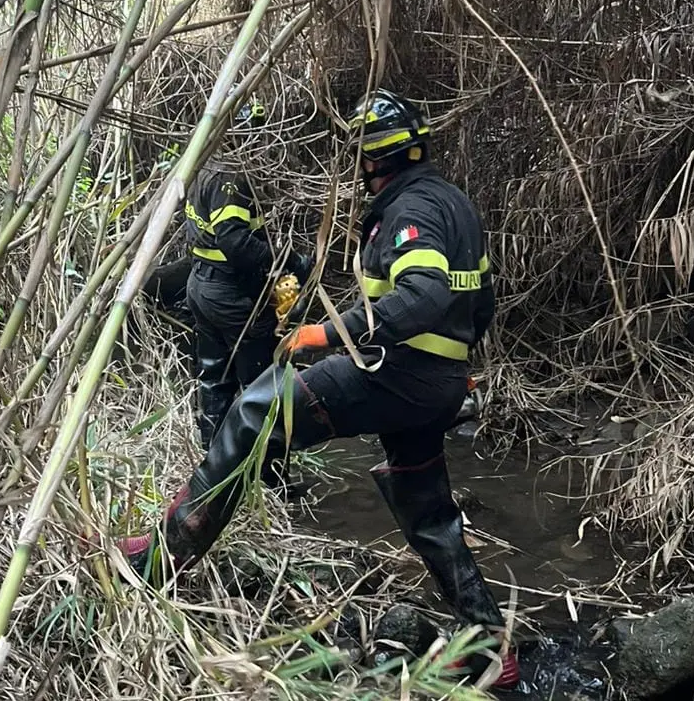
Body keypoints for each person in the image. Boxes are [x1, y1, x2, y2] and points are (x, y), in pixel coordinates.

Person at [118, 88, 519, 689]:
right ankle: (489, 645)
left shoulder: (410, 212)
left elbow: (427, 294)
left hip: (399, 373)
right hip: (435, 381)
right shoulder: (452, 202)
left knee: (255, 409)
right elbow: (478, 302)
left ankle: (161, 559)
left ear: (372, 158)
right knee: (425, 505)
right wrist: (451, 366)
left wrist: (326, 333)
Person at [183, 98, 313, 449]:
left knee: (215, 380)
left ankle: (213, 466)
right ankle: (268, 479)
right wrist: (290, 260)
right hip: (231, 296)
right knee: (263, 386)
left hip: (202, 287)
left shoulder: (206, 165)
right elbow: (235, 244)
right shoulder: (233, 176)